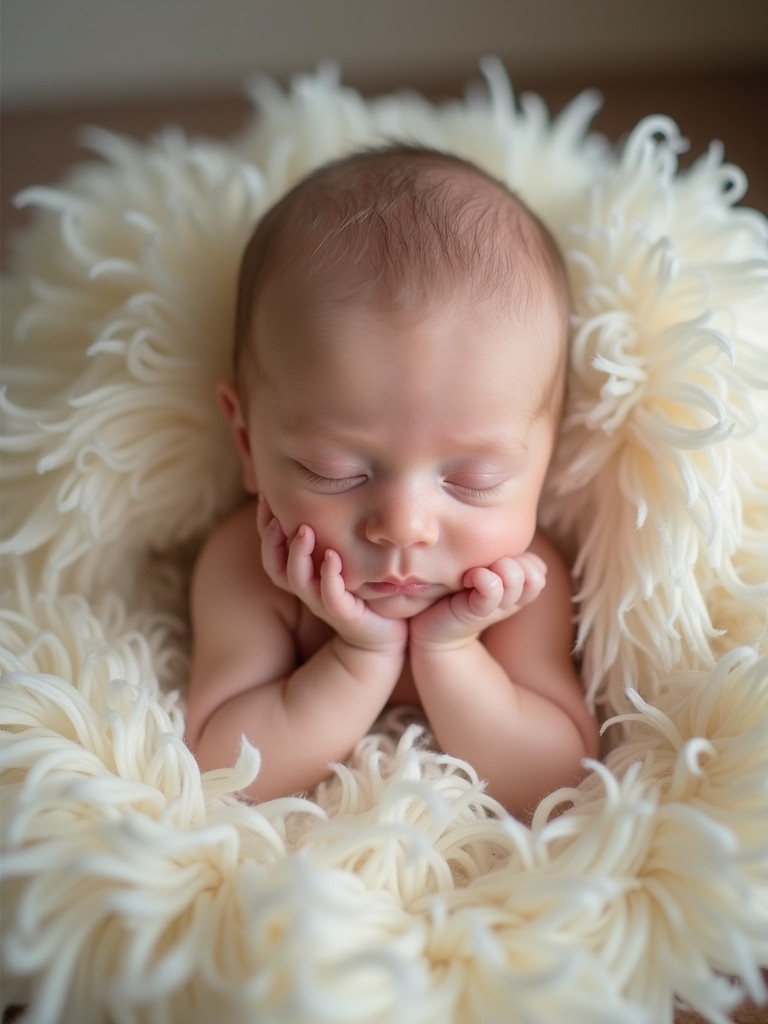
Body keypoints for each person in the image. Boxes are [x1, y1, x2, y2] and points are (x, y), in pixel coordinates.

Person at [185, 144, 599, 817]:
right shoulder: (246, 569)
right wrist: (358, 658)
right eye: (336, 472)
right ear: (247, 443)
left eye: (473, 479)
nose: (405, 524)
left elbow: (559, 781)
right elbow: (218, 768)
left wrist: (454, 653)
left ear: (545, 461)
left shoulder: (521, 586)